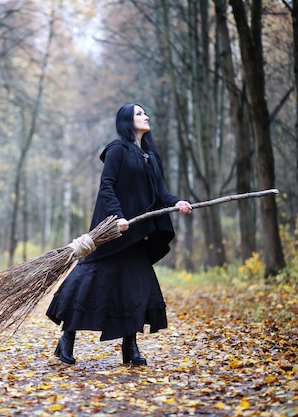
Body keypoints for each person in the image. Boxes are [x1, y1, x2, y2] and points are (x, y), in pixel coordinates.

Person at [46, 103, 192, 366]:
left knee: (135, 287)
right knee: (91, 279)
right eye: (139, 113)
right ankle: (67, 337)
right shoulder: (117, 150)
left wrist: (177, 202)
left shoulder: (151, 155)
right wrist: (117, 217)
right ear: (126, 120)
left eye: (146, 113)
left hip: (138, 234)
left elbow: (160, 192)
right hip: (114, 229)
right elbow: (107, 185)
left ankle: (130, 347)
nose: (146, 116)